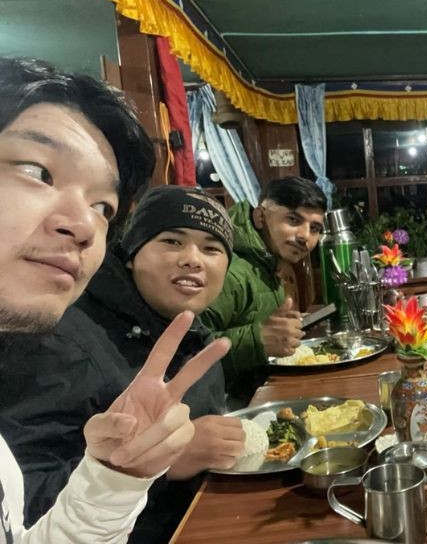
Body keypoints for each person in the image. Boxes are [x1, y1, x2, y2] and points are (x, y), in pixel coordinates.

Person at [0, 57, 228, 543]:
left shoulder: (187, 330)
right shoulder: (53, 340)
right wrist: (165, 466)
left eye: (103, 207)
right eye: (38, 171)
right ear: (129, 254)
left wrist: (115, 472)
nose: (82, 225)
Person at [201, 176, 326, 401]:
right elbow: (185, 351)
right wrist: (256, 340)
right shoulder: (232, 273)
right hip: (220, 411)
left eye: (315, 228)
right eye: (293, 219)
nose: (305, 237)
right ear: (260, 217)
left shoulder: (265, 263)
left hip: (257, 394)